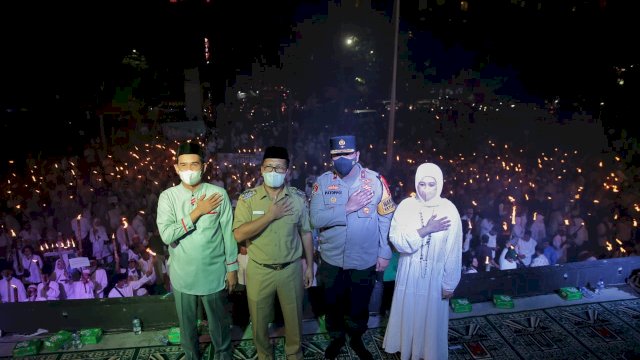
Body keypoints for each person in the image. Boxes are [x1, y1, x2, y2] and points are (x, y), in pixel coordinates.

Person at [310, 135, 395, 360]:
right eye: (337, 155)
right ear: (330, 158)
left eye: (347, 154)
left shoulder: (376, 181)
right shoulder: (323, 181)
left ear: (357, 155)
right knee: (333, 305)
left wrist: (385, 252)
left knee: (359, 305)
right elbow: (315, 220)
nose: (342, 158)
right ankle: (336, 339)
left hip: (364, 260)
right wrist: (347, 208)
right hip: (331, 260)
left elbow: (386, 218)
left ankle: (356, 338)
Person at [156, 141, 238, 360]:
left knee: (219, 324)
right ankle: (192, 356)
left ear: (203, 166)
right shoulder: (168, 197)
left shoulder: (217, 194)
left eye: (194, 164)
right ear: (176, 168)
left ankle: (223, 354)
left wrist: (232, 268)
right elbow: (167, 235)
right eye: (183, 165)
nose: (189, 170)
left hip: (213, 273)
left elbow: (227, 234)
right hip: (183, 275)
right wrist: (197, 212)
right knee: (187, 326)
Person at [232, 146, 314, 360]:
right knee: (258, 320)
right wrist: (270, 216)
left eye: (279, 168)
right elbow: (238, 234)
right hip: (259, 270)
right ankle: (264, 355)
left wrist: (310, 267)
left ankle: (294, 354)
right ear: (261, 169)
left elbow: (306, 233)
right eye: (269, 167)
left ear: (287, 171)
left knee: (294, 318)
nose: (274, 171)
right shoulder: (248, 199)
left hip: (291, 269)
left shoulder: (297, 198)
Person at [382, 162, 462, 360]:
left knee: (430, 321)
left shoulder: (449, 210)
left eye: (431, 184)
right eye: (422, 184)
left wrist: (450, 282)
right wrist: (426, 229)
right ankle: (406, 350)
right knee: (409, 315)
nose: (426, 190)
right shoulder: (406, 206)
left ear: (440, 184)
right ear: (416, 184)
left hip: (434, 278)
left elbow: (453, 250)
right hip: (409, 274)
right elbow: (397, 241)